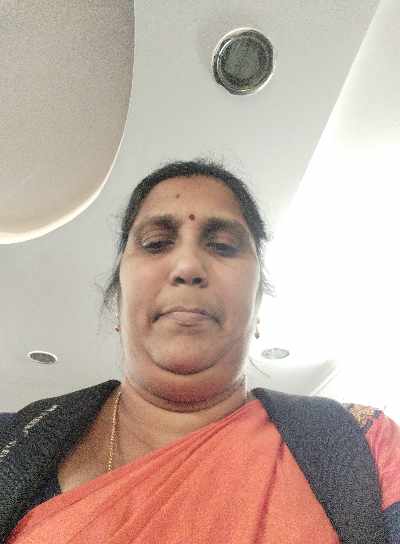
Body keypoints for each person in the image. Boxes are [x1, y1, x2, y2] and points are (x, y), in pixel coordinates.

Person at [0, 159, 399, 543]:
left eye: (223, 246)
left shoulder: (362, 446)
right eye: (156, 243)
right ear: (119, 300)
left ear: (258, 305)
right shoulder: (10, 446)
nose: (188, 265)